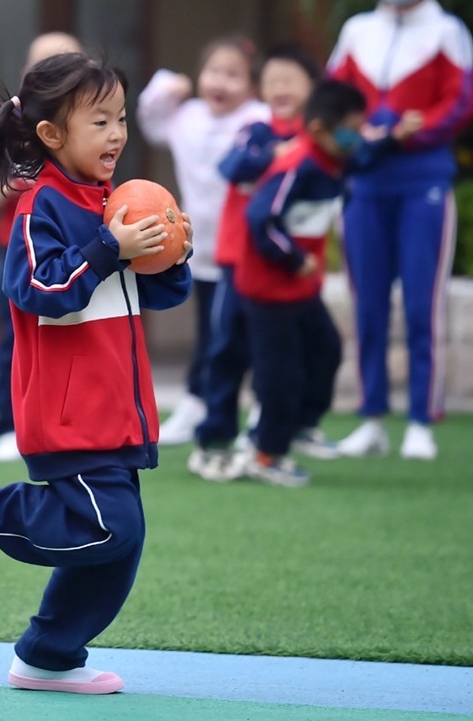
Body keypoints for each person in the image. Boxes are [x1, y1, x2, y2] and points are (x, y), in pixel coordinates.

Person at [0, 52, 192, 694]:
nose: (117, 134)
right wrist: (109, 248)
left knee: (120, 542)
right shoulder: (36, 204)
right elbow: (38, 287)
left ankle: (47, 656)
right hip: (68, 411)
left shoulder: (115, 201)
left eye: (122, 118)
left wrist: (173, 252)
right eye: (100, 121)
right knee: (108, 525)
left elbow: (155, 294)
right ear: (51, 135)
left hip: (118, 411)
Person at [327, 0, 473, 461]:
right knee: (367, 306)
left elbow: (460, 104)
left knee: (420, 305)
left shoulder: (448, 31)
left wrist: (418, 129)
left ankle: (420, 420)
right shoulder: (357, 29)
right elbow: (331, 101)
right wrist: (353, 135)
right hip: (364, 183)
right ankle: (371, 417)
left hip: (422, 181)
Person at [188, 44, 323, 481]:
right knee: (228, 350)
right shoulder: (257, 131)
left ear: (312, 88)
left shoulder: (316, 139)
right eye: (273, 81)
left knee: (304, 353)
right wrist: (272, 157)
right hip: (238, 263)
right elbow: (231, 167)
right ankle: (214, 440)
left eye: (291, 80)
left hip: (286, 269)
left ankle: (280, 434)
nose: (281, 88)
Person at [233, 81, 367, 486]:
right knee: (281, 375)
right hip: (269, 291)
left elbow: (371, 155)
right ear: (321, 129)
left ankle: (300, 426)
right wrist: (294, 258)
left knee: (326, 349)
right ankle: (266, 453)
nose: (357, 137)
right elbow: (260, 219)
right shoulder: (297, 166)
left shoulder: (335, 162)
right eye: (351, 129)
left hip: (302, 291)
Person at [138, 36, 269, 445]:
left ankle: (259, 408)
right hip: (199, 250)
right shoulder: (188, 117)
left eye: (233, 75)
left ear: (252, 85)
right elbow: (149, 118)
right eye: (214, 71)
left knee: (248, 335)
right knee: (210, 334)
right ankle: (197, 403)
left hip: (249, 252)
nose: (221, 82)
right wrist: (169, 85)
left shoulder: (257, 118)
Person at [0, 32, 85, 464]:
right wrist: (18, 183)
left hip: (75, 251)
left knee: (74, 341)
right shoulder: (14, 127)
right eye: (42, 63)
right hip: (19, 251)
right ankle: (9, 424)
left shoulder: (86, 122)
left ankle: (69, 423)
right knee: (16, 341)